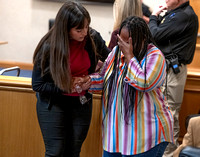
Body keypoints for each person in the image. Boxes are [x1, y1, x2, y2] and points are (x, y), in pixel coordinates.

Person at [31, 1, 110, 157]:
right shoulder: (49, 46)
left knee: (73, 151)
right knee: (55, 152)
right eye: (79, 30)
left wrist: (93, 77)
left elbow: (111, 59)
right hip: (53, 103)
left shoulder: (91, 38)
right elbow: (37, 85)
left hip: (81, 102)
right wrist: (66, 87)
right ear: (65, 29)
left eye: (87, 27)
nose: (84, 33)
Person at [89, 16, 174, 157]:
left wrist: (129, 56)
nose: (122, 45)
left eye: (127, 41)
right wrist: (87, 81)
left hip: (146, 136)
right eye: (120, 40)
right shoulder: (116, 52)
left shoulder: (155, 56)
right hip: (116, 134)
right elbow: (104, 81)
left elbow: (144, 83)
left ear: (143, 38)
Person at [148, 0, 199, 156]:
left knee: (169, 115)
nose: (165, 0)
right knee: (164, 114)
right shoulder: (175, 14)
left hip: (172, 72)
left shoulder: (184, 15)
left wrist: (153, 16)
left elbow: (154, 34)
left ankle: (168, 154)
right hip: (166, 70)